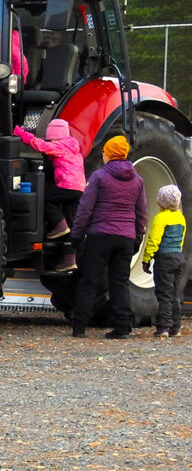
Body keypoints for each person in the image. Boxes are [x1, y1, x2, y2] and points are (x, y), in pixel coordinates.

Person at [68, 135, 147, 339]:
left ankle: (79, 327)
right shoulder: (137, 180)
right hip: (125, 238)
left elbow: (85, 208)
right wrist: (137, 238)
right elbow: (141, 213)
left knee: (89, 281)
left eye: (104, 151)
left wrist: (76, 235)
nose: (102, 155)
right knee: (120, 283)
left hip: (100, 236)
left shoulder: (99, 176)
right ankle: (122, 327)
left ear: (110, 154)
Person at [13, 118, 86, 271]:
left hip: (66, 186)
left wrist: (20, 133)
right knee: (72, 224)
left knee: (43, 197)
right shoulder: (75, 148)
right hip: (79, 189)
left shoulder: (59, 146)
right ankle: (69, 259)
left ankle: (59, 224)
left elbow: (40, 145)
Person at [142, 184, 185, 338]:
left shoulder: (160, 218)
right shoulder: (180, 217)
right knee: (175, 292)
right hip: (178, 257)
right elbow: (181, 239)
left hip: (164, 259)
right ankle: (176, 326)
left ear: (161, 202)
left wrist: (147, 258)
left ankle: (164, 327)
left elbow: (154, 239)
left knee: (164, 293)